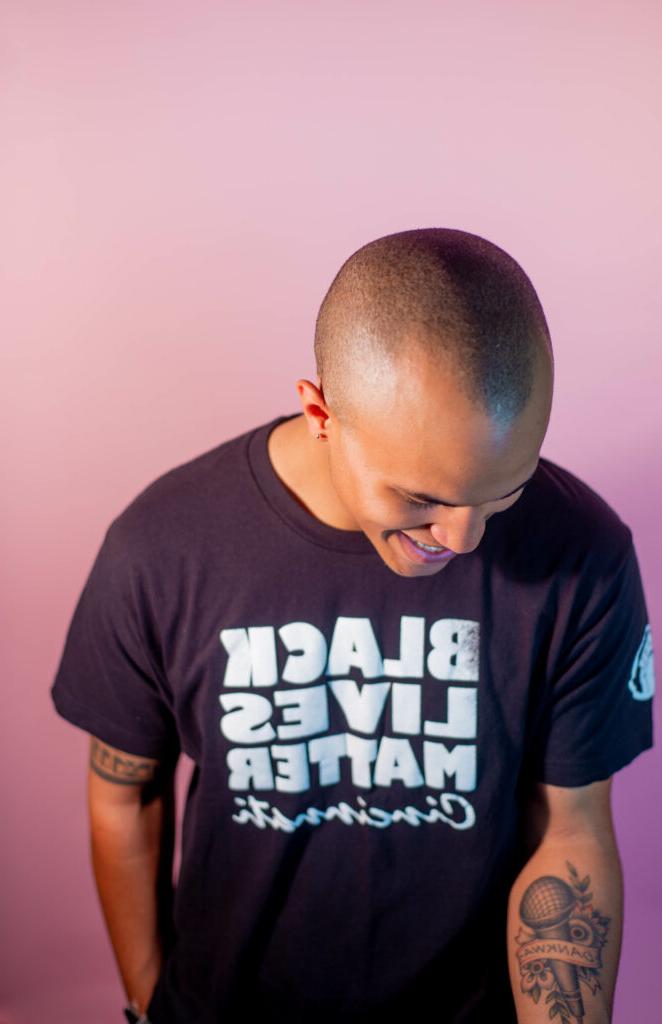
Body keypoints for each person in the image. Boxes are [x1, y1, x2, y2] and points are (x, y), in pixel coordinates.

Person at [50, 227, 655, 1024]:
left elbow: (570, 829)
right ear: (322, 412)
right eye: (423, 499)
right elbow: (126, 795)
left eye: (503, 494)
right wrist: (147, 1001)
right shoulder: (162, 548)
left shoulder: (585, 554)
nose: (463, 539)